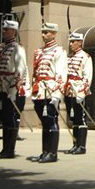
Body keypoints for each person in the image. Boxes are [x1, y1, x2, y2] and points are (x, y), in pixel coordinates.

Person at [0, 20, 27, 159]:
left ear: (14, 32)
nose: (4, 31)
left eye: (7, 29)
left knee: (9, 118)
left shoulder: (17, 48)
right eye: (4, 29)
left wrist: (13, 90)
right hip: (1, 86)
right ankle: (4, 148)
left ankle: (9, 150)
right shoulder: (2, 47)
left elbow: (20, 69)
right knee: (4, 118)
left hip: (9, 87)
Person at [31, 22, 67, 163]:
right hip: (39, 90)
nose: (43, 34)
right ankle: (44, 151)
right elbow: (35, 72)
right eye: (43, 32)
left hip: (50, 90)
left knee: (51, 120)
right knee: (44, 122)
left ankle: (52, 153)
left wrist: (57, 95)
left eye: (46, 32)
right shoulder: (39, 51)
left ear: (54, 34)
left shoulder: (59, 51)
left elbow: (62, 73)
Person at [63, 32, 93, 155]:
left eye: (73, 41)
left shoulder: (85, 57)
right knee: (73, 118)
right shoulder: (69, 57)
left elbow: (87, 77)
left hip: (79, 90)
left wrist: (82, 92)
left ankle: (81, 146)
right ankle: (75, 144)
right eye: (70, 41)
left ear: (80, 42)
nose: (71, 44)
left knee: (80, 118)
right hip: (69, 91)